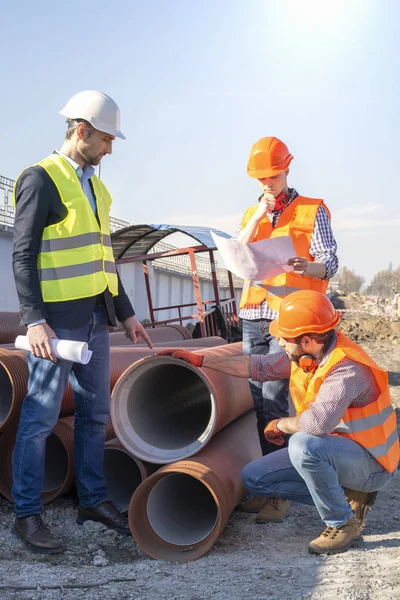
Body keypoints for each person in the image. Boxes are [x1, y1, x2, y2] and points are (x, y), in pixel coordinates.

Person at [12, 90, 153, 554]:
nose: (110, 150)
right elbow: (24, 255)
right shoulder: (40, 179)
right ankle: (27, 515)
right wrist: (35, 321)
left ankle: (91, 500)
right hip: (56, 324)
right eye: (107, 140)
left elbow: (103, 258)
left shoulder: (97, 187)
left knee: (94, 414)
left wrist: (126, 312)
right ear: (81, 131)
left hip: (96, 319)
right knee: (39, 417)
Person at [158, 291, 399, 555]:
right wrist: (202, 361)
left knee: (303, 444)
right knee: (254, 478)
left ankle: (342, 523)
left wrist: (280, 425)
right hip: (336, 452)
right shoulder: (306, 357)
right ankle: (349, 497)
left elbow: (317, 424)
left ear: (306, 340)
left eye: (284, 336)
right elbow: (259, 367)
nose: (278, 340)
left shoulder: (347, 368)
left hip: (371, 462)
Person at [235, 136, 338, 518]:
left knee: (278, 400)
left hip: (289, 322)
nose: (267, 182)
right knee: (259, 405)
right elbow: (237, 254)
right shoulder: (252, 214)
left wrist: (304, 266)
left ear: (286, 170)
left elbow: (328, 263)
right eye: (261, 177)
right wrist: (260, 217)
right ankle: (268, 485)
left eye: (273, 175)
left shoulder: (312, 211)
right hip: (253, 316)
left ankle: (280, 494)